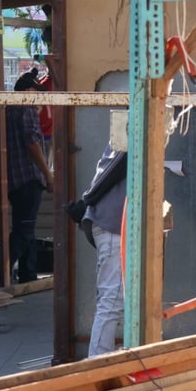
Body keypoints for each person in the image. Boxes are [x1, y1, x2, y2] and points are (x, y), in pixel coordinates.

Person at [0, 68, 54, 284]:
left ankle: (28, 274)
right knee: (24, 229)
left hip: (13, 181)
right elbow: (33, 145)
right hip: (29, 179)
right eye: (36, 92)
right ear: (28, 91)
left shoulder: (4, 114)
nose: (39, 97)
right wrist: (48, 175)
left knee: (26, 225)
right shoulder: (25, 111)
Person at [81, 144, 127, 357]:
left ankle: (100, 364)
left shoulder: (125, 133)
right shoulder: (134, 130)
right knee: (112, 300)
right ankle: (97, 366)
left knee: (114, 299)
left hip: (110, 223)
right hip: (113, 224)